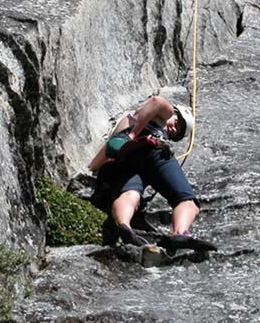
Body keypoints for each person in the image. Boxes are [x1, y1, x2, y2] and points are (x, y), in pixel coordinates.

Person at [89, 95, 215, 252]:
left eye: (175, 135)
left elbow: (98, 161)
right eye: (177, 124)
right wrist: (133, 134)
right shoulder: (166, 113)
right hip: (153, 152)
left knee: (130, 194)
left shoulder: (125, 123)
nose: (173, 130)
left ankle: (124, 225)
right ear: (175, 113)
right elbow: (156, 101)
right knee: (187, 201)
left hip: (125, 159)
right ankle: (180, 232)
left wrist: (96, 169)